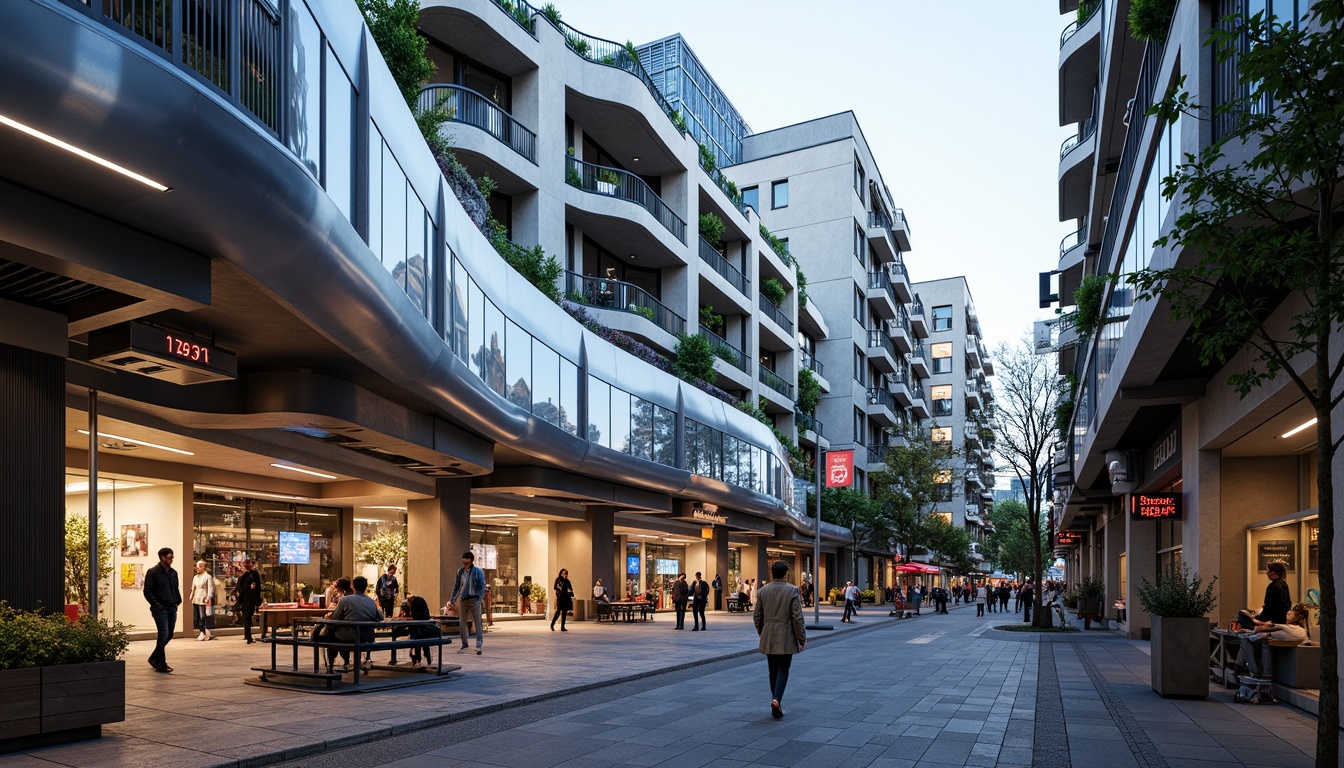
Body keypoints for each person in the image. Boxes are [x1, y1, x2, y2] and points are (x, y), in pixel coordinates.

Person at [754, 560, 806, 720]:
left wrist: (763, 631)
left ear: (772, 573)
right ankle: (777, 699)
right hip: (785, 634)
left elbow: (757, 616)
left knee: (772, 669)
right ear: (786, 574)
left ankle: (775, 700)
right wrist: (801, 637)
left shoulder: (763, 591)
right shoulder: (792, 590)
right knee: (783, 668)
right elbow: (797, 617)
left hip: (769, 633)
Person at [325, 576, 383, 672]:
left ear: (353, 586)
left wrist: (329, 616)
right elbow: (380, 618)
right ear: (365, 587)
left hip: (350, 636)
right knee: (340, 634)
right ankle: (347, 662)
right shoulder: (371, 602)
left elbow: (335, 618)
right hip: (367, 637)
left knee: (331, 635)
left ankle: (331, 666)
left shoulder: (345, 600)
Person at [1237, 602, 1309, 678]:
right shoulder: (1300, 630)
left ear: (1299, 616)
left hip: (1276, 639)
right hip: (1279, 638)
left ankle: (1255, 673)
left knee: (1245, 639)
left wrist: (1255, 625)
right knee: (1257, 638)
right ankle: (1239, 670)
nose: (1288, 613)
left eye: (1291, 613)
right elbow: (1269, 627)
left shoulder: (1291, 628)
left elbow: (1269, 627)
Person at [143, 547, 182, 673]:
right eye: (169, 558)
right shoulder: (153, 572)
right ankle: (161, 663)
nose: (171, 560)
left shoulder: (173, 573)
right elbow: (147, 591)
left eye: (172, 558)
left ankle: (153, 657)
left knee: (169, 634)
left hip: (171, 607)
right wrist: (156, 605)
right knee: (163, 634)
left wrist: (177, 600)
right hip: (160, 609)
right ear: (162, 558)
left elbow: (175, 588)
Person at [449, 551, 487, 653]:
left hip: (474, 599)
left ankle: (479, 644)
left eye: (466, 558)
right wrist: (452, 599)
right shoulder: (460, 571)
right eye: (463, 558)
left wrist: (479, 597)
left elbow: (482, 585)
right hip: (463, 599)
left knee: (477, 622)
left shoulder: (477, 571)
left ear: (470, 560)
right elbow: (456, 586)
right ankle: (464, 644)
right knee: (462, 622)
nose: (464, 560)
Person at [234, 558, 262, 643]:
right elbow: (240, 587)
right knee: (247, 617)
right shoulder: (243, 576)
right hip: (246, 599)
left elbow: (257, 587)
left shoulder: (254, 574)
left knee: (248, 617)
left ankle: (248, 635)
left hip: (251, 598)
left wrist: (257, 599)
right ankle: (247, 636)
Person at [188, 560, 215, 641]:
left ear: (203, 567)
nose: (198, 568)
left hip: (203, 598)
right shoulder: (195, 577)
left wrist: (208, 598)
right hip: (196, 598)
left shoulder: (208, 577)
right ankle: (201, 631)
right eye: (197, 566)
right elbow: (193, 588)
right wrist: (191, 596)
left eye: (200, 566)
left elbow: (210, 589)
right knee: (196, 616)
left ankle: (203, 632)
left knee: (202, 616)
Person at [550, 568, 574, 632]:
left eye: (566, 574)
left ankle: (562, 626)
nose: (566, 575)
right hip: (561, 598)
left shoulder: (567, 581)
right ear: (561, 574)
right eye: (564, 574)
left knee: (564, 612)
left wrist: (570, 590)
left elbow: (570, 587)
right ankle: (552, 624)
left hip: (566, 598)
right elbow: (556, 587)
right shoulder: (558, 580)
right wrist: (564, 590)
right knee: (558, 611)